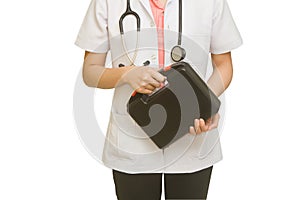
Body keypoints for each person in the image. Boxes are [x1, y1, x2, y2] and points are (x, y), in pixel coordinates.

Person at [75, 0, 242, 199]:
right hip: (133, 142)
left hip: (193, 140)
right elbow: (90, 71)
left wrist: (205, 103)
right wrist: (127, 74)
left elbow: (224, 65)